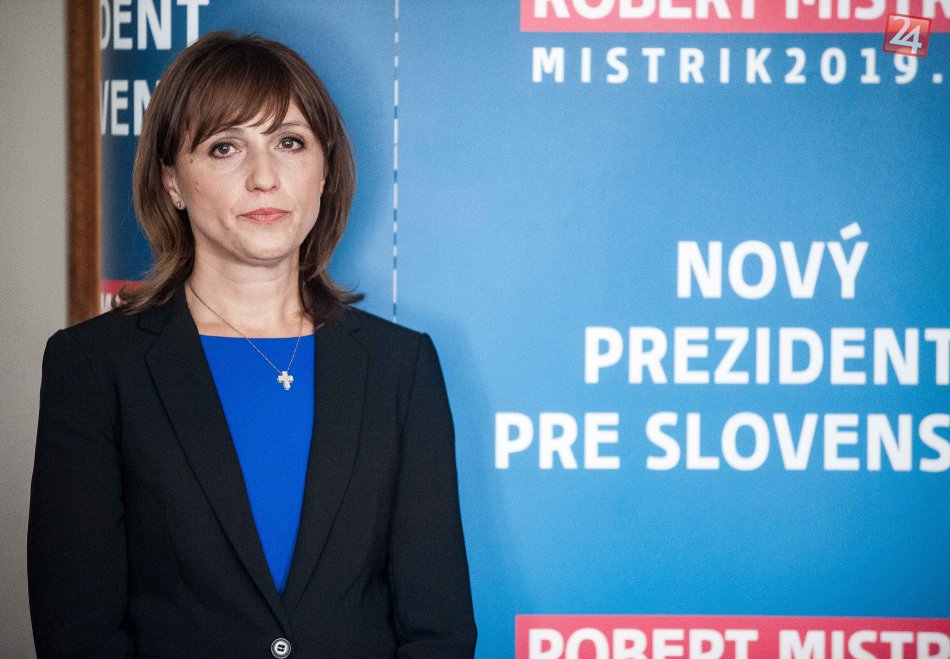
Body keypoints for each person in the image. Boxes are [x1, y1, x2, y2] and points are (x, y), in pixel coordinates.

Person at [27, 31, 476, 658]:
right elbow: (79, 634)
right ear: (171, 181)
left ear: (325, 170)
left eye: (289, 142)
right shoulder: (94, 367)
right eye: (225, 147)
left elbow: (439, 631)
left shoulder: (402, 367)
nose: (264, 177)